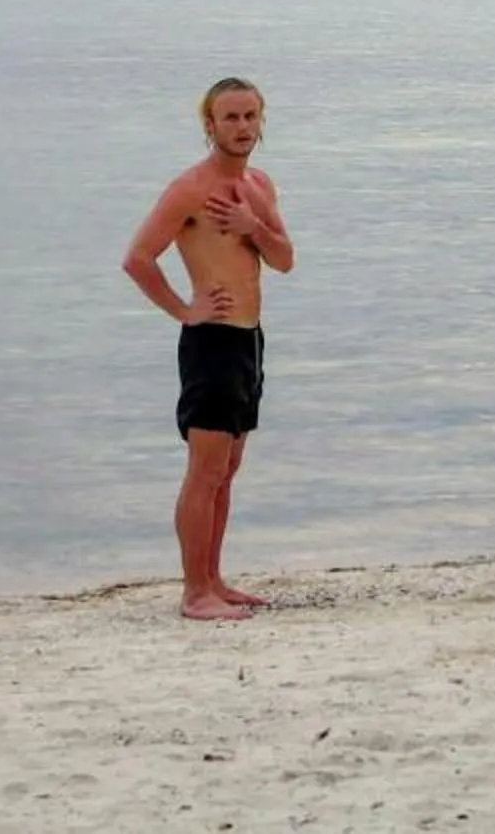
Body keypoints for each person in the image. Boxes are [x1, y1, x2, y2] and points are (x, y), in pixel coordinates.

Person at [122, 78, 295, 620]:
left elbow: (285, 258)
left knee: (229, 467)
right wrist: (184, 309)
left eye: (250, 117)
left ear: (261, 122)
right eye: (230, 118)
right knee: (205, 468)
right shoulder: (190, 189)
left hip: (249, 339)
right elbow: (138, 259)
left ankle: (215, 579)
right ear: (209, 124)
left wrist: (253, 226)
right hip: (212, 342)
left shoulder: (260, 185)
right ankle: (194, 592)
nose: (242, 127)